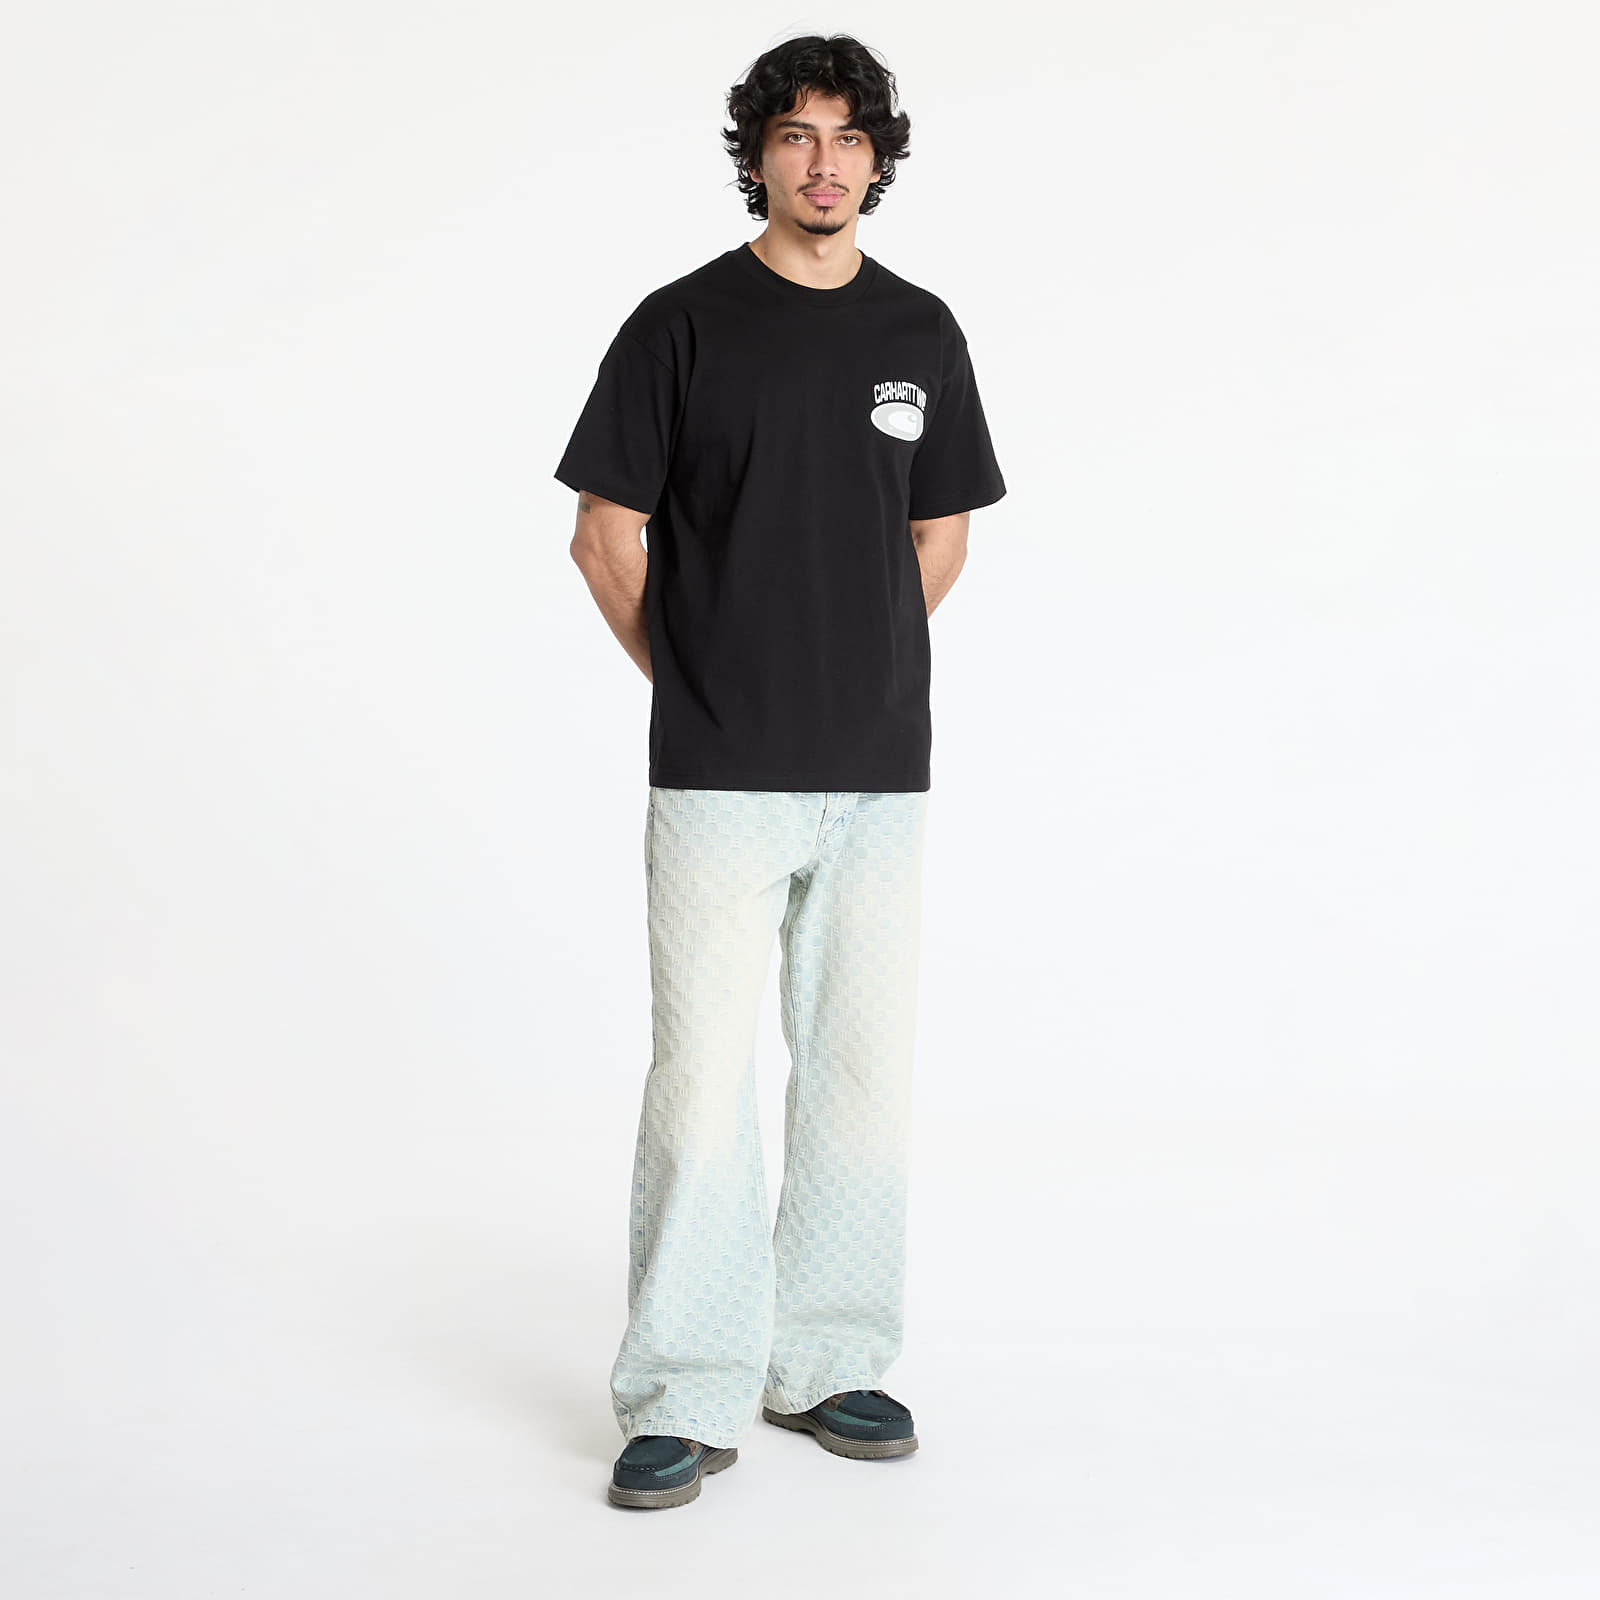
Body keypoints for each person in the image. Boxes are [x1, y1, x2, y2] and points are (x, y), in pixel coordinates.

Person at [554, 33, 1006, 1511]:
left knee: (860, 1074)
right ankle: (681, 1389)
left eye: (850, 137)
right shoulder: (682, 326)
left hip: (878, 771)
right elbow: (603, 536)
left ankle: (827, 1361)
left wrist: (849, 669)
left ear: (880, 158)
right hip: (719, 775)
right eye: (797, 136)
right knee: (702, 1085)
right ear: (757, 155)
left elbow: (938, 536)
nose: (826, 162)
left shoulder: (922, 330)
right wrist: (707, 679)